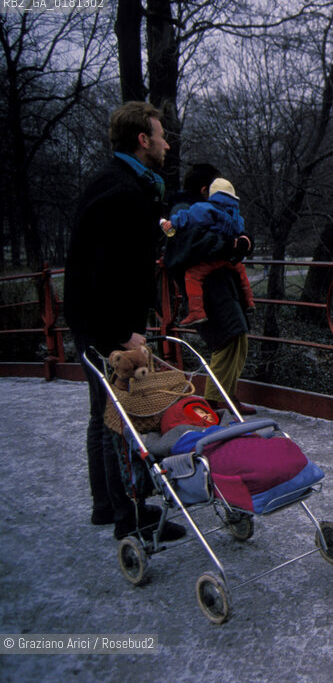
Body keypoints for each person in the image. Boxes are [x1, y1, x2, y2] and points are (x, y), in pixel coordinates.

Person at [65, 101, 185, 541]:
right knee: (121, 416)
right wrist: (127, 330)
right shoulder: (124, 191)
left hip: (89, 318)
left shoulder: (115, 183)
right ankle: (127, 515)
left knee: (103, 415)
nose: (167, 144)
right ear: (143, 140)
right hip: (107, 324)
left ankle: (107, 506)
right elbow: (110, 269)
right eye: (161, 135)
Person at [163, 165, 257, 416]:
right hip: (208, 291)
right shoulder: (185, 212)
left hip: (222, 286)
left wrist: (244, 242)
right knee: (228, 338)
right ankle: (214, 401)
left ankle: (226, 396)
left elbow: (236, 234)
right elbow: (188, 247)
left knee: (238, 339)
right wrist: (232, 245)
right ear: (206, 190)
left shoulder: (208, 211)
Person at [160, 178, 255, 326]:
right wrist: (244, 242)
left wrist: (172, 222)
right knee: (241, 273)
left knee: (192, 276)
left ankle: (196, 312)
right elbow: (241, 233)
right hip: (230, 260)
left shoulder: (205, 208)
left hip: (211, 261)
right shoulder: (236, 215)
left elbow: (188, 218)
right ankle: (249, 301)